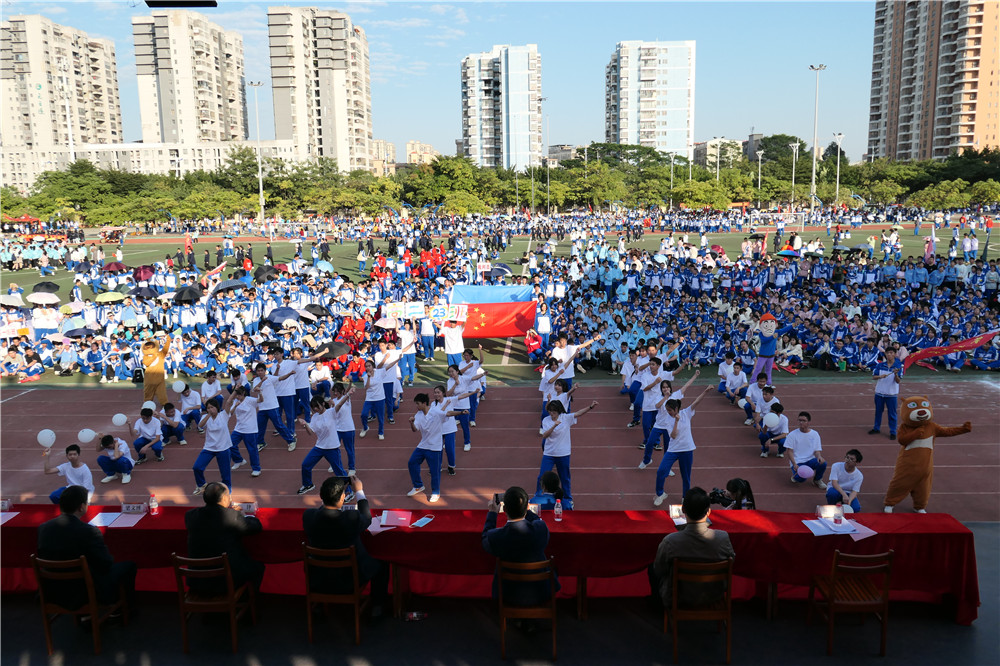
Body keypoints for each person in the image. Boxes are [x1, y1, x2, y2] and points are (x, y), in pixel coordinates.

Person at [37, 485, 137, 612]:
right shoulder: (89, 531)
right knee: (128, 566)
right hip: (83, 591)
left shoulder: (43, 528)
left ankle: (85, 616)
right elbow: (105, 564)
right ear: (81, 507)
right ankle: (121, 611)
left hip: (52, 590)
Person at [302, 476, 390, 618]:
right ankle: (377, 607)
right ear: (343, 497)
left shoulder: (308, 516)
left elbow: (322, 511)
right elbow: (367, 518)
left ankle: (318, 605)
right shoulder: (351, 518)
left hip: (319, 579)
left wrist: (329, 494)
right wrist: (359, 492)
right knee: (382, 564)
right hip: (348, 581)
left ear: (321, 496)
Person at [650, 487, 735, 609]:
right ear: (708, 512)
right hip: (714, 595)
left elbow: (658, 569)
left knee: (652, 569)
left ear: (683, 509)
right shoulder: (723, 538)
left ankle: (657, 607)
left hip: (678, 597)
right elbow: (731, 563)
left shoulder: (670, 541)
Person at [482, 486, 559, 607]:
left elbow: (485, 539)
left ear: (504, 509)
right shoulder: (540, 530)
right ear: (527, 507)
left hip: (509, 594)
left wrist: (492, 514)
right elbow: (537, 521)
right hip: (540, 591)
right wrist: (525, 509)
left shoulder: (496, 537)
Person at [185, 481, 265, 592]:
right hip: (224, 581)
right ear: (223, 498)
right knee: (258, 568)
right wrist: (243, 516)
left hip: (197, 581)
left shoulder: (190, 516)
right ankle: (245, 603)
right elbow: (256, 526)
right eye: (228, 495)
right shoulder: (230, 516)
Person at [653, 386, 714, 506]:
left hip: (687, 449)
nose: (668, 412)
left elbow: (696, 401)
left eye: (670, 410)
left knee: (686, 476)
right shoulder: (668, 420)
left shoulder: (687, 413)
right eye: (667, 410)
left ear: (676, 409)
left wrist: (705, 391)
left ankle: (685, 497)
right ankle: (660, 494)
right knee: (661, 471)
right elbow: (673, 435)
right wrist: (676, 421)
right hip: (673, 450)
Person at [537, 399, 599, 510]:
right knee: (541, 476)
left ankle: (568, 499)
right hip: (549, 454)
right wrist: (554, 426)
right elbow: (545, 435)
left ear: (559, 411)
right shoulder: (546, 420)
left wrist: (590, 407)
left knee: (565, 477)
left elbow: (579, 413)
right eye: (550, 411)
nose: (552, 413)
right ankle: (538, 497)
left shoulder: (565, 418)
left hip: (563, 453)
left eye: (554, 412)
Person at [296, 394, 350, 494]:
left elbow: (340, 404)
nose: (315, 409)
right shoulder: (315, 417)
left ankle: (349, 492)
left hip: (332, 448)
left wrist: (348, 394)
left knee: (339, 471)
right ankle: (308, 484)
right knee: (305, 465)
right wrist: (305, 425)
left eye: (317, 406)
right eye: (313, 407)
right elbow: (310, 432)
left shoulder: (331, 412)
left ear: (323, 404)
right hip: (319, 447)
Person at [406, 392, 450, 502]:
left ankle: (436, 492)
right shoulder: (418, 414)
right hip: (423, 445)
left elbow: (448, 414)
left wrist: (460, 413)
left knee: (434, 471)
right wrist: (411, 422)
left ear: (424, 403)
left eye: (418, 404)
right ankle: (418, 485)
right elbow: (415, 429)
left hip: (435, 447)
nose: (417, 406)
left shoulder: (435, 412)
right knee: (412, 462)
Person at [192, 391, 238, 495]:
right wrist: (208, 414)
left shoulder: (224, 415)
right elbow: (200, 425)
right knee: (197, 467)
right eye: (208, 408)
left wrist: (235, 391)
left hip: (223, 449)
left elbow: (229, 402)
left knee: (225, 473)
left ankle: (227, 491)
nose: (210, 409)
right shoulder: (205, 417)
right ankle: (201, 485)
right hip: (209, 448)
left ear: (217, 407)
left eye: (212, 407)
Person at [785, 411, 828, 489]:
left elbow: (817, 450)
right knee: (802, 478)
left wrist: (819, 457)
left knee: (823, 463)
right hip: (798, 462)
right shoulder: (792, 434)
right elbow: (789, 451)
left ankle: (817, 480)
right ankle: (796, 476)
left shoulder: (815, 434)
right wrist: (794, 464)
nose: (801, 422)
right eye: (799, 420)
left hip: (810, 461)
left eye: (804, 421)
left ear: (808, 422)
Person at [228, 385, 262, 478]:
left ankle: (256, 468)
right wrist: (235, 406)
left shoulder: (250, 400)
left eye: (238, 394)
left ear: (243, 393)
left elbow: (260, 400)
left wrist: (260, 392)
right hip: (238, 429)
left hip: (250, 430)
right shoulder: (236, 401)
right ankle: (238, 460)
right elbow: (230, 413)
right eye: (236, 395)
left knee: (252, 450)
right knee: (230, 444)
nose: (237, 396)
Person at [869, 347, 903, 439]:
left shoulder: (898, 366)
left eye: (891, 353)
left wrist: (895, 374)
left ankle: (893, 431)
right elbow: (873, 377)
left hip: (891, 394)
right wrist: (880, 376)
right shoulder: (880, 365)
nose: (889, 355)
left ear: (895, 354)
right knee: (878, 412)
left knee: (892, 413)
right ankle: (876, 428)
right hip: (879, 393)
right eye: (887, 353)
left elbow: (898, 381)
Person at [141, 332, 171, 406]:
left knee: (162, 396)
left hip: (159, 380)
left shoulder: (160, 355)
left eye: (151, 347)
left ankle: (165, 407)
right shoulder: (146, 356)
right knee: (148, 396)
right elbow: (146, 363)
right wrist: (154, 355)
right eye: (148, 347)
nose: (150, 349)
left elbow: (166, 348)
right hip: (149, 380)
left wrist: (168, 339)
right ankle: (147, 407)